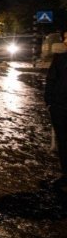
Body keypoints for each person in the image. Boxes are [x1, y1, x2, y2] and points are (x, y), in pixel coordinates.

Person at [45, 30, 67, 188]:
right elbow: (51, 80)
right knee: (63, 142)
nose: (66, 41)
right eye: (65, 38)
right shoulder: (60, 58)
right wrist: (50, 102)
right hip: (60, 107)